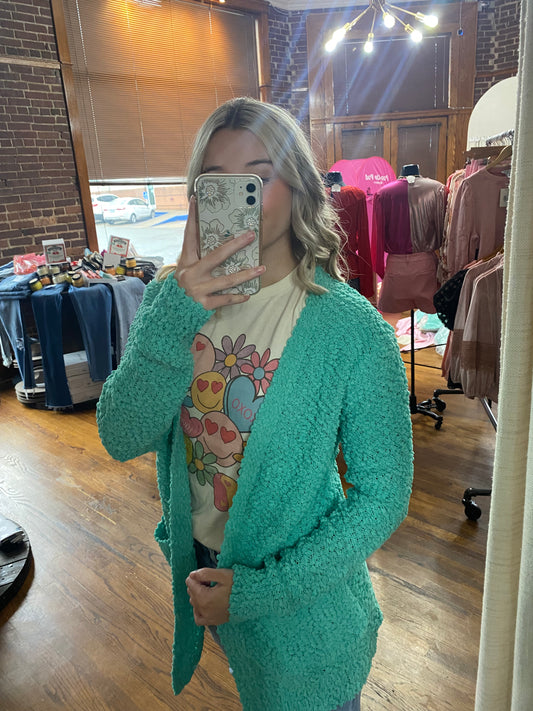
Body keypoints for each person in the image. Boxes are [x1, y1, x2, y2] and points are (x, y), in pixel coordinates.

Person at [97, 97, 413, 711]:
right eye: (216, 182)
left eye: (257, 179)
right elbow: (119, 434)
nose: (236, 197)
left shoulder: (351, 329)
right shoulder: (171, 303)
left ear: (297, 188)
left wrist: (258, 593)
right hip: (203, 569)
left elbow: (384, 495)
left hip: (306, 603)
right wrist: (177, 312)